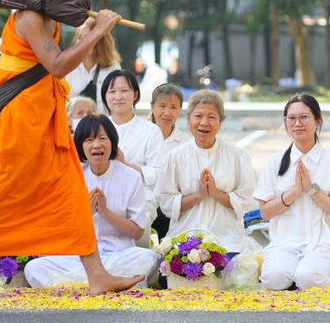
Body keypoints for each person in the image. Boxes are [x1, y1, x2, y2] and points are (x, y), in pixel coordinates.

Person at [0, 0, 143, 298]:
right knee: (1, 194)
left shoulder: (51, 17)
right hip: (16, 121)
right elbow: (57, 66)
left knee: (73, 191)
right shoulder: (29, 16)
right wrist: (99, 30)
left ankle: (97, 276)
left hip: (44, 121)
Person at [25, 115, 159, 288]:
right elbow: (59, 229)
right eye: (89, 140)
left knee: (148, 258)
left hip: (118, 254)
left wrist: (106, 213)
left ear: (112, 143)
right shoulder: (71, 176)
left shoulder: (131, 177)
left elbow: (137, 232)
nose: (97, 145)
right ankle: (103, 282)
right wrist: (86, 213)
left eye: (103, 138)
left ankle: (77, 284)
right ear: (81, 146)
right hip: (78, 258)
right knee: (33, 267)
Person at [255, 94, 330, 289]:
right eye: (291, 118)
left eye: (304, 117)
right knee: (274, 279)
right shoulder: (275, 162)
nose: (297, 123)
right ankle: (294, 274)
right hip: (284, 245)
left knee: (308, 278)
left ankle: (324, 271)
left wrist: (311, 190)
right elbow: (265, 213)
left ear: (318, 121)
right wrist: (296, 190)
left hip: (320, 244)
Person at [155, 90, 255, 252]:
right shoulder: (174, 157)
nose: (204, 122)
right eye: (198, 116)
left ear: (220, 122)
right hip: (184, 238)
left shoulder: (238, 156)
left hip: (227, 240)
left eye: (212, 117)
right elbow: (165, 202)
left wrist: (216, 193)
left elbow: (245, 202)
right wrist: (199, 195)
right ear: (188, 120)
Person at [102, 69, 164, 238]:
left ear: (135, 94)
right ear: (105, 96)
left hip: (141, 199)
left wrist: (125, 165)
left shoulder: (151, 131)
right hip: (101, 198)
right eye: (112, 91)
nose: (118, 97)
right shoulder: (97, 128)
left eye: (124, 91)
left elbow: (159, 174)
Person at [147, 83, 191, 238]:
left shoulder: (186, 143)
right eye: (162, 106)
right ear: (152, 106)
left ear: (180, 109)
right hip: (143, 205)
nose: (167, 112)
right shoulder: (141, 135)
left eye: (173, 107)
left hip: (173, 209)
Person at [64, 17, 122, 113]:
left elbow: (118, 103)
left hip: (103, 125)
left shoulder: (112, 68)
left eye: (87, 37)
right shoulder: (67, 67)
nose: (81, 42)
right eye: (79, 37)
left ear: (100, 41)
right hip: (74, 126)